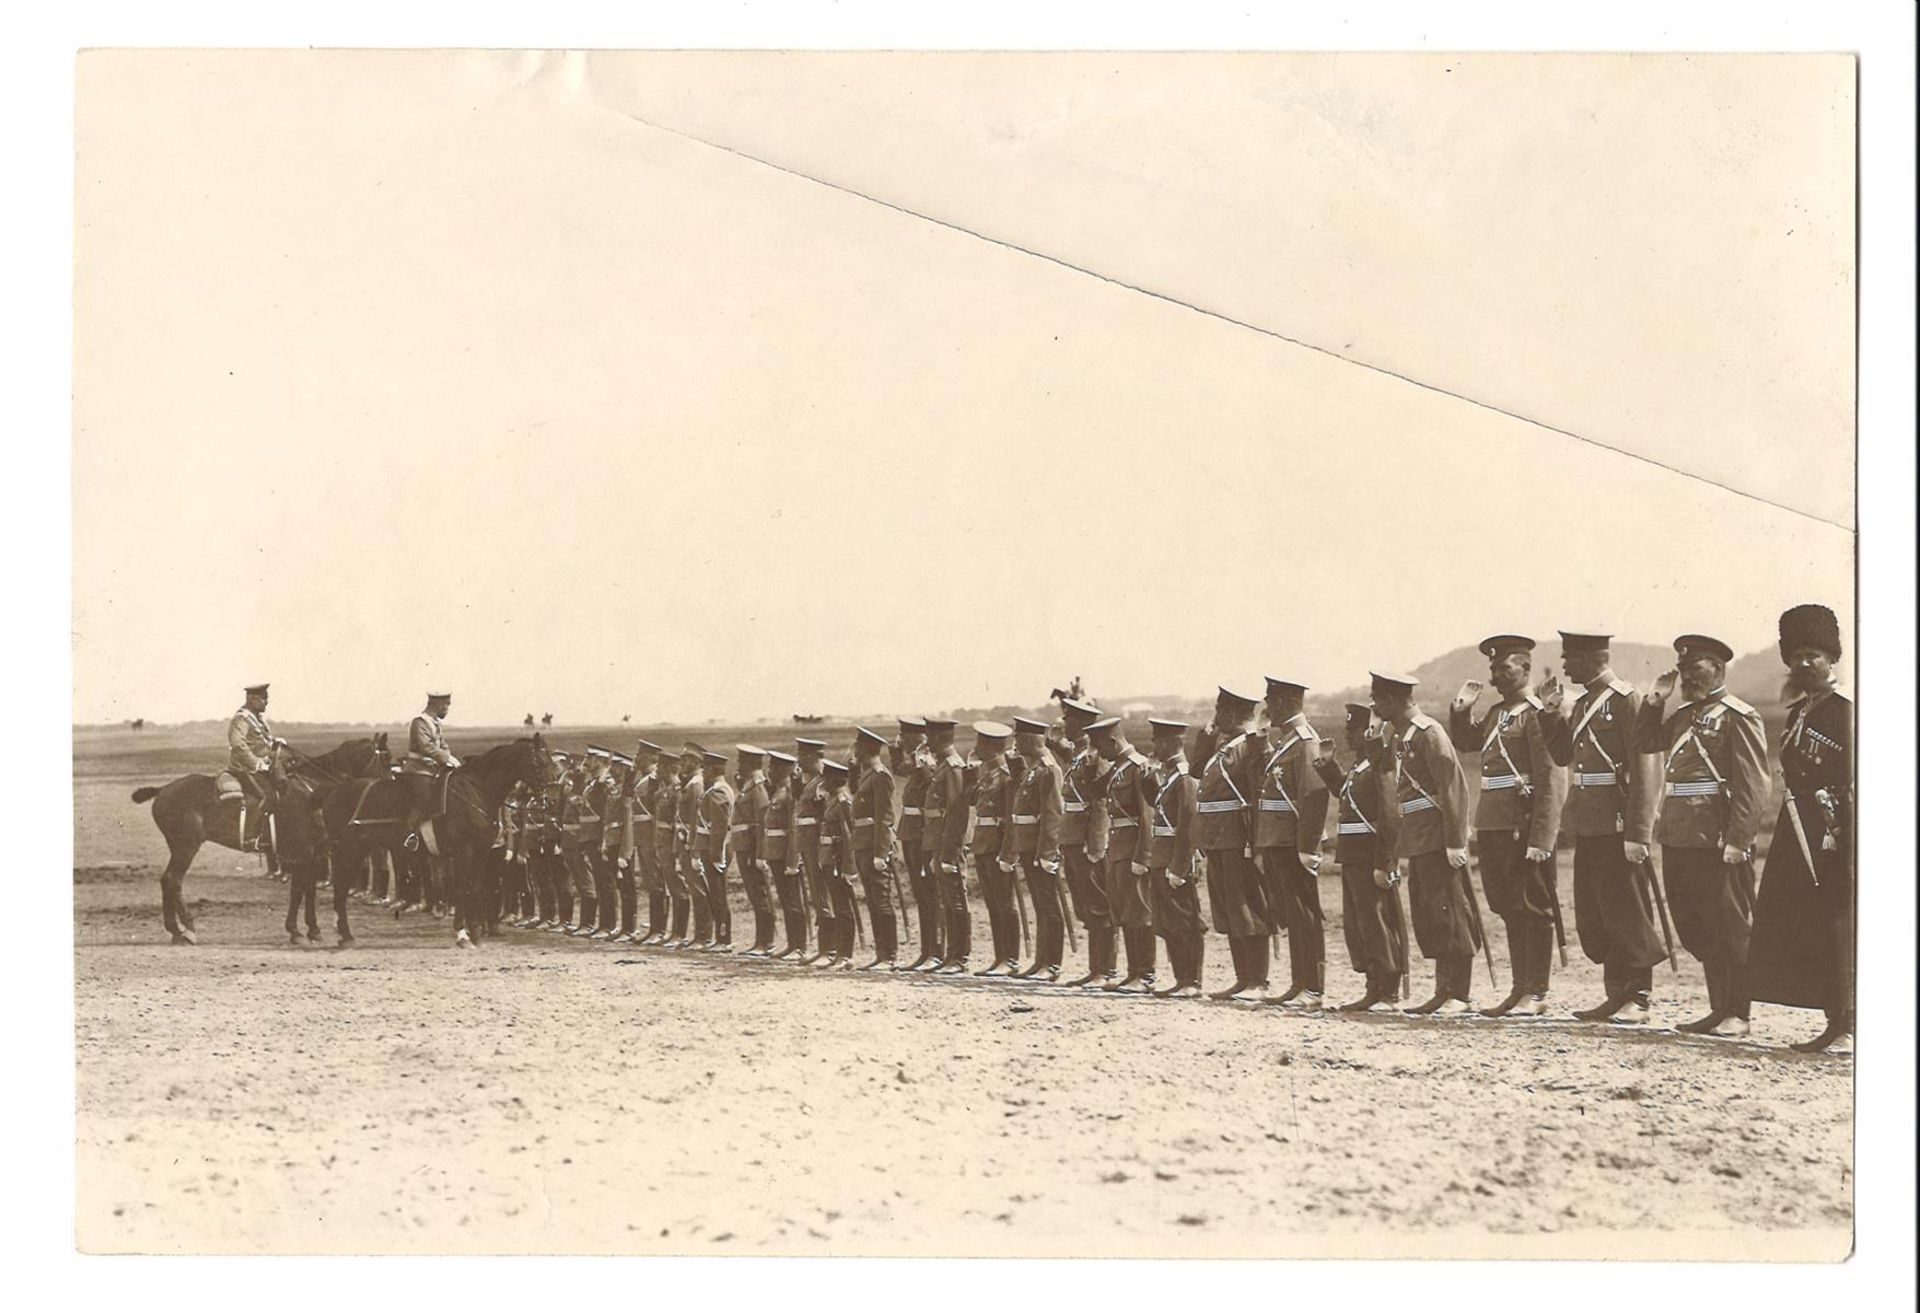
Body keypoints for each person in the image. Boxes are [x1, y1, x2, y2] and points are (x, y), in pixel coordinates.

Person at [1631, 635, 1769, 1037]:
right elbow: (1645, 742)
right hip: (1679, 834)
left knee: (1729, 926)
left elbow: (1753, 784)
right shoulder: (1682, 714)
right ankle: (1718, 1008)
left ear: (1719, 669)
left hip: (1717, 837)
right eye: (1683, 669)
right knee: (1697, 924)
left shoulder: (1739, 716)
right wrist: (1654, 702)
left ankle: (1738, 1013)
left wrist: (1739, 841)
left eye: (1697, 668)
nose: (1687, 676)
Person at [1538, 631, 1667, 1024]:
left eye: (1569, 658)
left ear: (1593, 657)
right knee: (1598, 913)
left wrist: (1639, 832)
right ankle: (1616, 994)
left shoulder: (1627, 701)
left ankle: (1638, 996)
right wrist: (1549, 714)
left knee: (1627, 910)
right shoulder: (1582, 704)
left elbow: (1647, 767)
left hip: (1617, 824)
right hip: (1589, 823)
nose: (1563, 666)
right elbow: (1563, 755)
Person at [1747, 604, 1853, 1054]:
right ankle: (1834, 1017)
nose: (1804, 664)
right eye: (1796, 656)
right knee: (1810, 921)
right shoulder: (1798, 713)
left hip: (1838, 829)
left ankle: (1851, 1022)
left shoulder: (1848, 710)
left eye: (1814, 654)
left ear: (1832, 659)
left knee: (1840, 921)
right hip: (1798, 827)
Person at [1448, 635, 1570, 1018]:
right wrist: (1460, 710)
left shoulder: (1538, 714)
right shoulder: (1499, 714)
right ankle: (1520, 988)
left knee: (1532, 905)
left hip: (1524, 824)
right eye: (1494, 669)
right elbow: (1467, 742)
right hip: (1495, 822)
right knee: (1507, 905)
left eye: (1505, 668)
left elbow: (1552, 778)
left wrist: (1543, 837)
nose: (1497, 676)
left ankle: (1535, 992)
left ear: (1526, 669)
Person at [1373, 672, 1478, 1015]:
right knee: (1432, 915)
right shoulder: (1399, 736)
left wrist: (1456, 842)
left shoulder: (1428, 733)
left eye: (1378, 700)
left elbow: (1454, 787)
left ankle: (1458, 993)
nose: (1375, 706)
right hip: (1417, 837)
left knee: (1450, 915)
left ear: (1392, 700)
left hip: (1438, 838)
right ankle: (1442, 989)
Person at [1314, 703, 1407, 1010]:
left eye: (1353, 731)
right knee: (1360, 923)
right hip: (1352, 854)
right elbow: (1346, 793)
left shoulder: (1380, 766)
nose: (1348, 736)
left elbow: (1390, 816)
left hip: (1370, 855)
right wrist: (1329, 767)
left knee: (1377, 921)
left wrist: (1384, 862)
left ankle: (1388, 991)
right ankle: (1373, 986)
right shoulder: (1359, 767)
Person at [1252, 677, 1334, 1008]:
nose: (1266, 707)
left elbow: (1314, 796)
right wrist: (1260, 740)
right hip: (1277, 841)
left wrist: (1307, 847)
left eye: (1270, 701)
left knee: (1304, 915)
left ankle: (1312, 987)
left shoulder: (1305, 742)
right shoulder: (1286, 743)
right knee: (1291, 913)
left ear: (1285, 704)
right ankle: (1299, 982)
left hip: (1292, 844)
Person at [1191, 685, 1270, 1001]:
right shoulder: (1223, 748)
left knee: (1246, 908)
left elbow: (1257, 794)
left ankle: (1257, 980)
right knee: (1229, 910)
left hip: (1240, 838)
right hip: (1218, 838)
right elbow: (1197, 770)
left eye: (1222, 711)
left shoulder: (1250, 747)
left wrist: (1257, 842)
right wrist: (1207, 735)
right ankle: (1242, 978)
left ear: (1238, 714)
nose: (1217, 716)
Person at [1051, 699, 1116, 988]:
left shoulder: (1096, 755)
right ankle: (1095, 968)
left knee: (1099, 906)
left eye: (1069, 719)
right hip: (1073, 838)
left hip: (1087, 841)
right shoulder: (1080, 753)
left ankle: (1106, 969)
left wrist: (1097, 842)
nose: (1064, 723)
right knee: (1086, 906)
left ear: (1080, 723)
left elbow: (1100, 802)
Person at [1090, 716, 1156, 993]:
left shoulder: (1139, 768)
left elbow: (1148, 816)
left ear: (1113, 741)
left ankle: (1146, 974)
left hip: (1132, 850)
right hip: (1117, 848)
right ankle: (1132, 972)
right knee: (1124, 912)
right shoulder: (1117, 769)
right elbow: (1093, 792)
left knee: (1139, 912)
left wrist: (1143, 856)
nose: (1099, 753)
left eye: (1100, 746)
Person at [1145, 717, 1204, 997]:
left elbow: (1189, 821)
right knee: (1169, 921)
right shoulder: (1168, 775)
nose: (1153, 745)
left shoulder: (1185, 776)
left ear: (1170, 743)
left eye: (1157, 740)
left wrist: (1179, 866)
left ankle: (1191, 981)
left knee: (1184, 921)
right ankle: (1181, 979)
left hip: (1175, 858)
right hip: (1161, 856)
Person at [1009, 716, 1067, 981]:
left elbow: (1053, 813)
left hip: (1039, 849)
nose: (1015, 743)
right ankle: (1041, 961)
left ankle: (1051, 964)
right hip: (1028, 845)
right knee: (1041, 906)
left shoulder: (1048, 769)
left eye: (1019, 738)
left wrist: (1047, 853)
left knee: (1049, 906)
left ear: (1032, 740)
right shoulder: (1033, 769)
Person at [969, 721, 1023, 976]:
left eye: (981, 742)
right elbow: (970, 799)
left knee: (1004, 903)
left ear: (991, 746)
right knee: (992, 903)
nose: (976, 746)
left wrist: (1008, 852)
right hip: (982, 843)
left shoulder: (1006, 775)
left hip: (998, 845)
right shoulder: (986, 772)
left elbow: (1011, 817)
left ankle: (1010, 958)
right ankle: (999, 956)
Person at [923, 717, 972, 974]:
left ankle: (960, 956)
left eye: (930, 737)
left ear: (941, 738)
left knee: (956, 900)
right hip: (939, 841)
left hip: (948, 844)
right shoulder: (943, 766)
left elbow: (957, 813)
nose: (927, 742)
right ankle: (952, 954)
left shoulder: (953, 767)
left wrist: (950, 854)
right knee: (947, 899)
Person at [895, 718, 942, 971]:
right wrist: (898, 751)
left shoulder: (927, 760)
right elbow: (900, 769)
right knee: (921, 895)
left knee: (930, 894)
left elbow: (932, 787)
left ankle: (935, 951)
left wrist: (920, 758)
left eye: (904, 734)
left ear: (916, 737)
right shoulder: (916, 760)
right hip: (911, 832)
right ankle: (926, 951)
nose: (900, 737)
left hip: (924, 834)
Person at [852, 727, 901, 970]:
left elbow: (885, 817)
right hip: (862, 844)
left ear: (868, 749)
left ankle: (889, 954)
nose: (854, 751)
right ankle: (881, 953)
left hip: (874, 845)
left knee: (881, 901)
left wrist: (881, 852)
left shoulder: (881, 776)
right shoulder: (867, 775)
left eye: (858, 747)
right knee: (872, 900)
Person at [225, 682, 287, 863]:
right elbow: (238, 745)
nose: (266, 702)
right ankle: (252, 837)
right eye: (263, 699)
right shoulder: (241, 719)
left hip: (262, 766)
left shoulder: (256, 717)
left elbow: (261, 740)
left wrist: (276, 742)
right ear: (252, 699)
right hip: (245, 768)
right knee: (266, 796)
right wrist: (258, 764)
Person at [790, 737, 833, 965]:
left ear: (810, 756)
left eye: (801, 755)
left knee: (823, 896)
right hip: (808, 846)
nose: (798, 759)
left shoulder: (823, 783)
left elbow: (825, 819)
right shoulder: (811, 782)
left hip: (818, 847)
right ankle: (824, 949)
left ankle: (830, 949)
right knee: (817, 896)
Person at [401, 692, 461, 853]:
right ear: (438, 704)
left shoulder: (435, 723)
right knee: (425, 799)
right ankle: (410, 835)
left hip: (434, 769)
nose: (447, 709)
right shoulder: (419, 722)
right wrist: (445, 758)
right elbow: (425, 746)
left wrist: (449, 757)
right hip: (417, 770)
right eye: (447, 705)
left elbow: (443, 744)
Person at [733, 745, 778, 956]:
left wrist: (761, 854)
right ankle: (760, 940)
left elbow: (762, 823)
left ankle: (766, 941)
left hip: (752, 847)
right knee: (754, 893)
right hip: (744, 846)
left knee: (760, 894)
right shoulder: (749, 785)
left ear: (751, 763)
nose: (739, 763)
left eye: (742, 761)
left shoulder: (758, 787)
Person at [760, 749, 806, 959]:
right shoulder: (778, 790)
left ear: (784, 770)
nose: (769, 771)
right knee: (786, 900)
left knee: (792, 900)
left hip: (785, 854)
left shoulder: (789, 793)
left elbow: (794, 829)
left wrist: (792, 860)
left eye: (774, 767)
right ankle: (792, 943)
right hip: (775, 852)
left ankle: (799, 946)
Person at [817, 759, 860, 969]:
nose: (823, 781)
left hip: (838, 860)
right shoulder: (834, 799)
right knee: (838, 905)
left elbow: (849, 835)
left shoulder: (843, 801)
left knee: (844, 908)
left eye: (826, 777)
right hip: (829, 857)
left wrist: (849, 867)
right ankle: (840, 953)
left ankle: (846, 954)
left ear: (835, 780)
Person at [698, 748, 738, 952]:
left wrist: (715, 855)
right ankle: (720, 938)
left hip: (716, 850)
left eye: (705, 768)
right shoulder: (718, 789)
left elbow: (719, 827)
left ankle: (724, 939)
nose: (702, 772)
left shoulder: (718, 791)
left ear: (713, 770)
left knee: (718, 895)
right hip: (715, 848)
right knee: (715, 894)